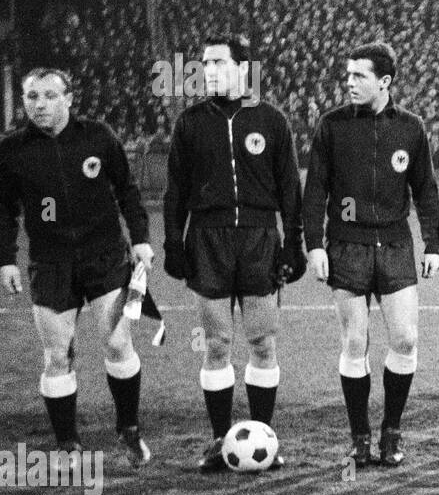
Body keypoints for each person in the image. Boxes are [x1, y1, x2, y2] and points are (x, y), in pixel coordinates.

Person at [162, 34, 306, 471]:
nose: (208, 71)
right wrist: (173, 242)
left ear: (244, 69)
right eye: (204, 64)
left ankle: (264, 438)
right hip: (207, 240)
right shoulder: (189, 123)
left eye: (218, 63)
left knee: (263, 343)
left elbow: (289, 189)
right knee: (217, 345)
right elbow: (175, 193)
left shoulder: (272, 120)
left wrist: (293, 243)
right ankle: (218, 440)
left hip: (260, 241)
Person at [0, 68, 154, 465]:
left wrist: (139, 239)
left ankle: (129, 429)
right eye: (32, 97)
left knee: (118, 343)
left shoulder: (98, 136)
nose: (40, 104)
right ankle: (67, 443)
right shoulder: (13, 150)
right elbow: (4, 212)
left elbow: (127, 190)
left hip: (104, 256)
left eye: (50, 96)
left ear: (69, 98)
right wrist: (5, 261)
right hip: (50, 264)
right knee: (57, 355)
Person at [302, 41, 439, 468]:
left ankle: (391, 430)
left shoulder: (412, 127)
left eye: (359, 75)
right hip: (347, 244)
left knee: (405, 339)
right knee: (355, 341)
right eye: (348, 75)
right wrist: (314, 244)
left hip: (396, 243)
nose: (350, 82)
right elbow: (315, 191)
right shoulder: (332, 125)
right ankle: (360, 435)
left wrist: (433, 243)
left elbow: (426, 191)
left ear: (384, 81)